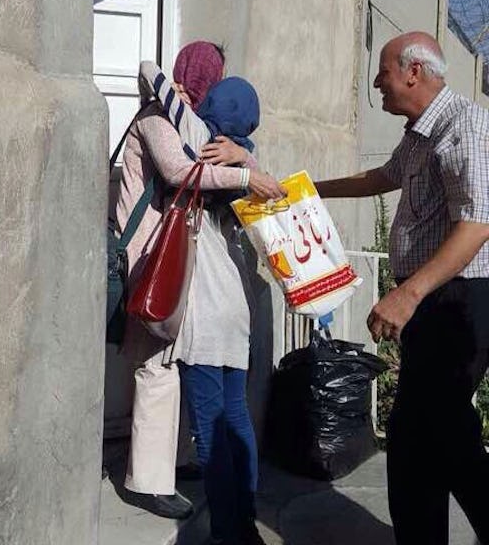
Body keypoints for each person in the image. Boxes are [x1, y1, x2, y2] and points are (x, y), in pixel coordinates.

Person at [314, 31, 489, 545]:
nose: (377, 81)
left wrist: (408, 294)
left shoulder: (466, 126)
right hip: (430, 303)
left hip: (458, 302)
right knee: (420, 440)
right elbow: (381, 177)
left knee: (442, 436)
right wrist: (307, 190)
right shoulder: (419, 135)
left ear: (414, 72)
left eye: (384, 70)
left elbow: (478, 222)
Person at [115, 42, 282, 522]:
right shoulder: (157, 115)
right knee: (158, 365)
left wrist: (241, 162)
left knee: (182, 368)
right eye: (211, 77)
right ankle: (149, 480)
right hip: (152, 255)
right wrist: (245, 176)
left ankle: (181, 465)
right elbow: (178, 171)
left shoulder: (197, 127)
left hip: (182, 259)